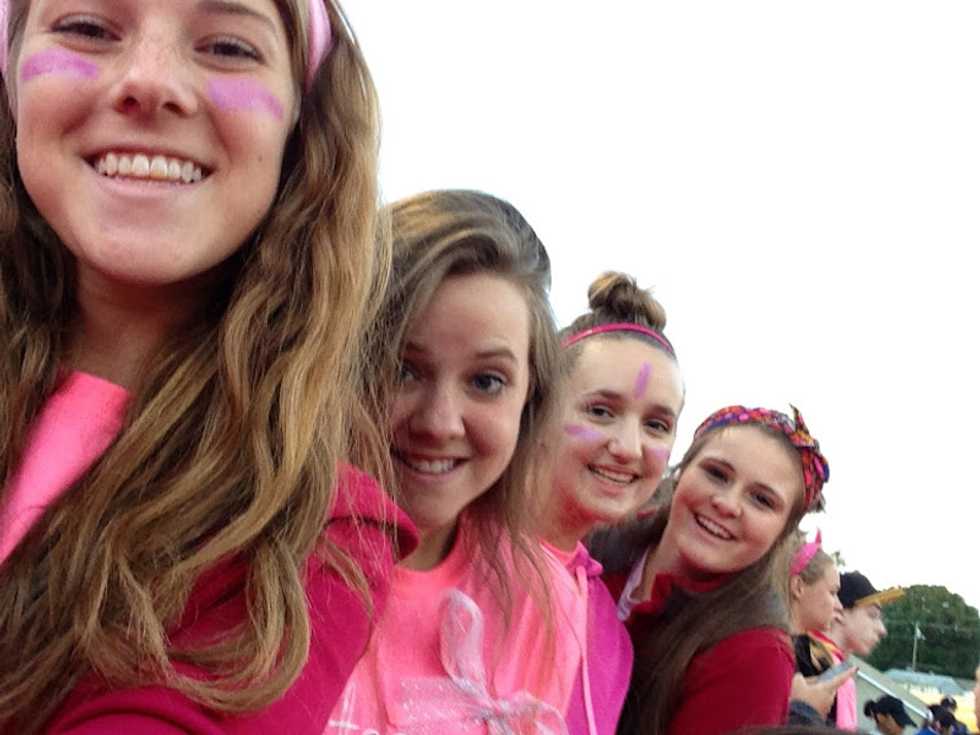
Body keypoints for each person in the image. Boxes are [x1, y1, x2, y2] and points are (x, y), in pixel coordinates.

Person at [0, 1, 418, 733]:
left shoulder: (316, 539)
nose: (150, 82)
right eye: (87, 29)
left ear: (301, 122)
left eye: (228, 47)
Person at [328, 190, 581, 734]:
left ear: (530, 399)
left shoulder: (545, 602)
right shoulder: (250, 565)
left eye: (486, 381)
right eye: (401, 370)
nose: (439, 423)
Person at [592, 404, 831, 735]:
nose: (727, 504)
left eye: (762, 500)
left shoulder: (757, 655)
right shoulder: (593, 532)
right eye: (717, 474)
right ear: (682, 471)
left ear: (782, 534)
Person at [537, 272, 685, 734]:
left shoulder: (609, 635)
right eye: (601, 411)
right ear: (536, 406)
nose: (629, 448)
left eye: (656, 425)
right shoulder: (441, 549)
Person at [822, 571, 904, 729]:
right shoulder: (815, 666)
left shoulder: (839, 670)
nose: (882, 630)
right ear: (839, 612)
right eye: (873, 615)